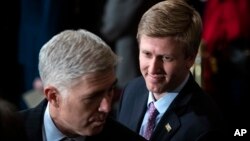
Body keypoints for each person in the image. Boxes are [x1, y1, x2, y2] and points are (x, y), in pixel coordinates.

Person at [117, 0, 227, 141]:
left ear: (190, 58)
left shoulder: (204, 127)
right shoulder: (131, 91)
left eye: (166, 58)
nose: (152, 69)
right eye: (147, 54)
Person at [18, 29, 147, 141]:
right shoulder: (9, 132)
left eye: (110, 90)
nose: (106, 107)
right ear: (53, 97)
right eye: (92, 97)